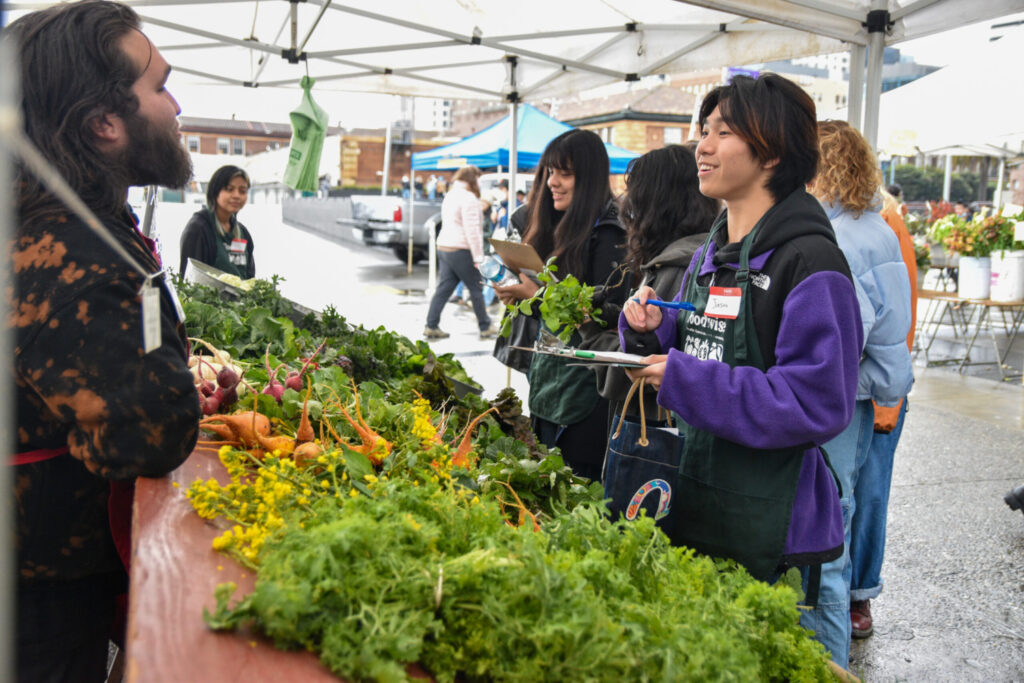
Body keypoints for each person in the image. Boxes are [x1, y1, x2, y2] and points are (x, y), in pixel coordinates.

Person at [621, 74, 862, 665]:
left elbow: (816, 403)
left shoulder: (811, 262)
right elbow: (711, 339)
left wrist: (684, 379)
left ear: (772, 150)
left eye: (722, 132)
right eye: (703, 131)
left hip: (769, 524)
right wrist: (655, 329)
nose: (701, 146)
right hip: (699, 498)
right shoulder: (713, 250)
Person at [7, 2, 202, 679]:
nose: (175, 105)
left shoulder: (72, 215)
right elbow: (150, 433)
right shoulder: (73, 253)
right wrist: (171, 385)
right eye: (159, 86)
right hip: (36, 608)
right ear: (104, 124)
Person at [809, 119, 914, 665]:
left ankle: (828, 663)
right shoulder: (873, 226)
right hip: (866, 395)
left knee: (825, 534)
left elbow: (843, 337)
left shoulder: (839, 237)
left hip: (840, 401)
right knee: (841, 521)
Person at [494, 129, 628, 482]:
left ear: (590, 177)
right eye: (550, 172)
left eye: (564, 173)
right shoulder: (558, 223)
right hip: (548, 378)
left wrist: (534, 296)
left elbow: (599, 315)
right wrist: (518, 292)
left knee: (575, 485)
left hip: (586, 391)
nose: (552, 182)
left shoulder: (611, 234)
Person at [583, 145, 720, 425]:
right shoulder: (694, 257)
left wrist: (589, 330)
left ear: (656, 205)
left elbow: (636, 372)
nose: (628, 207)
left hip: (655, 438)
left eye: (636, 197)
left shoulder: (677, 268)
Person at [847, 187, 919, 639]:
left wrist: (887, 403)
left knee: (869, 496)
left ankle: (860, 593)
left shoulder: (882, 222)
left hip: (874, 391)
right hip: (851, 390)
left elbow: (898, 320)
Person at [424, 165, 498, 340]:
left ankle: (431, 325)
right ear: (473, 180)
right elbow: (472, 230)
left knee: (444, 288)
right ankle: (485, 326)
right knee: (476, 288)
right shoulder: (469, 198)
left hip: (444, 246)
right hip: (461, 248)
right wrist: (478, 256)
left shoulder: (450, 195)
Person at [179, 165, 255, 279]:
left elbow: (250, 277)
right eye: (229, 189)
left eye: (242, 191)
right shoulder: (198, 230)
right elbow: (190, 282)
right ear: (215, 192)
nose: (236, 195)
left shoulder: (243, 233)